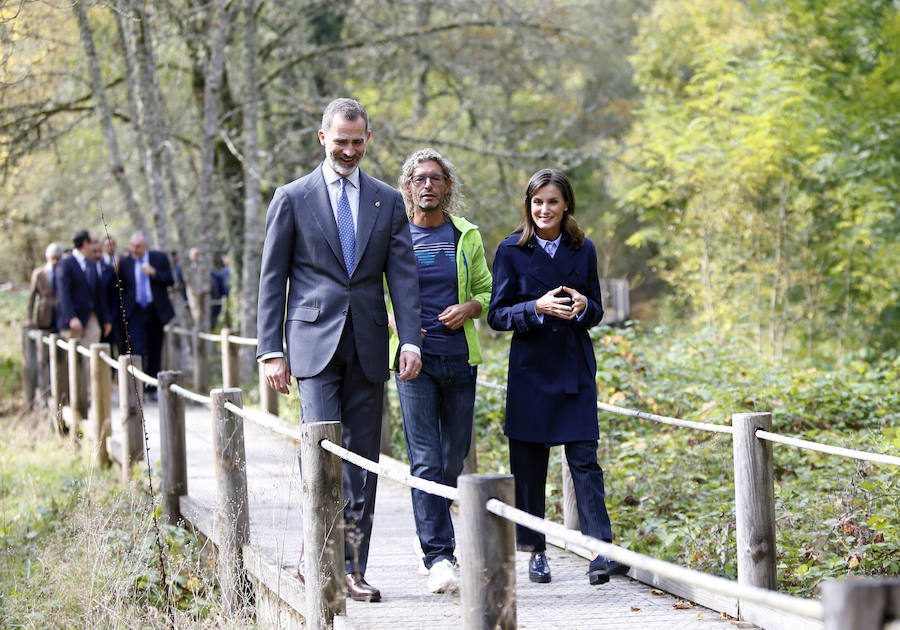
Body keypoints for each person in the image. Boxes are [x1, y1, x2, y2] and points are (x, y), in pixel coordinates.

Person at [256, 97, 422, 603]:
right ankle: (320, 558)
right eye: (341, 141)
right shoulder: (292, 197)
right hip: (312, 344)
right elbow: (271, 278)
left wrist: (410, 338)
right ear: (322, 138)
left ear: (367, 140)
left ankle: (353, 568)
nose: (349, 150)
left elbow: (404, 277)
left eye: (358, 142)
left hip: (371, 345)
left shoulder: (387, 200)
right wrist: (270, 350)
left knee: (361, 460)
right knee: (322, 453)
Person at [487, 168, 628, 586]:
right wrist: (536, 308)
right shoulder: (510, 250)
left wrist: (584, 305)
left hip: (573, 367)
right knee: (529, 464)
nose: (544, 209)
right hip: (531, 370)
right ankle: (535, 552)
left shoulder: (583, 249)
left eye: (552, 201)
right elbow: (497, 315)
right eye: (537, 202)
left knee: (585, 460)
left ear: (566, 204)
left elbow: (598, 311)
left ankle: (601, 550)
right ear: (528, 206)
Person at [386, 148, 491, 594]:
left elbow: (488, 293)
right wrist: (398, 324)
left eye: (435, 178)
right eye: (419, 179)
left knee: (451, 458)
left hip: (459, 359)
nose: (427, 185)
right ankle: (439, 555)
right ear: (408, 187)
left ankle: (429, 533)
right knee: (426, 458)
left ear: (448, 187)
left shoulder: (466, 235)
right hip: (414, 363)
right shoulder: (394, 236)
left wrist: (469, 308)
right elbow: (373, 293)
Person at [117, 231, 175, 394]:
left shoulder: (159, 258)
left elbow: (170, 280)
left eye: (138, 247)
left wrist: (154, 273)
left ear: (146, 246)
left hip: (156, 311)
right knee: (138, 350)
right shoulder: (125, 262)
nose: (134, 250)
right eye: (132, 246)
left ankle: (152, 388)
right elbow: (121, 287)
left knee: (155, 350)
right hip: (135, 312)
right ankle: (140, 387)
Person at [55, 230, 111, 344]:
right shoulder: (65, 264)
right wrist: (71, 317)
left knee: (92, 351)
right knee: (71, 358)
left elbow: (99, 294)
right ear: (85, 243)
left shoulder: (92, 264)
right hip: (71, 320)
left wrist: (106, 320)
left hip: (89, 317)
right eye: (92, 242)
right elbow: (63, 293)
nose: (94, 246)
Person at [27, 242, 63, 331]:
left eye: (58, 259)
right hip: (44, 315)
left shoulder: (63, 273)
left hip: (60, 315)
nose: (55, 261)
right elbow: (32, 297)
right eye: (53, 258)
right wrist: (29, 317)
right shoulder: (39, 273)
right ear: (48, 258)